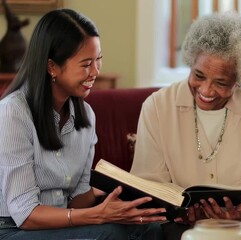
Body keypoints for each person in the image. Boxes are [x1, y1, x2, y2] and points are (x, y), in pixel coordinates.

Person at [0, 9, 166, 240]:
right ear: (52, 67)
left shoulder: (85, 116)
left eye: (98, 59)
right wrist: (99, 216)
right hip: (13, 229)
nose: (96, 72)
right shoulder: (13, 113)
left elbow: (77, 201)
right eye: (86, 64)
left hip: (60, 225)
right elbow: (26, 215)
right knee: (111, 234)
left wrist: (112, 190)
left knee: (151, 227)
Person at [130, 12, 241, 240]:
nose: (205, 90)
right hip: (178, 224)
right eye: (199, 75)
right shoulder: (157, 106)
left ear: (239, 80)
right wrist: (183, 209)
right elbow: (149, 180)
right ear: (191, 61)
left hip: (240, 224)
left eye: (221, 83)